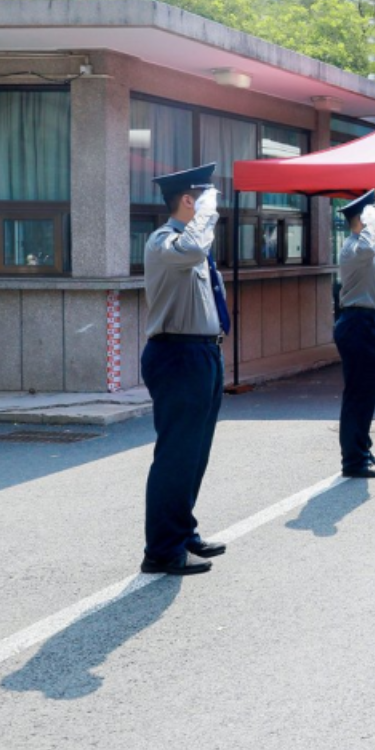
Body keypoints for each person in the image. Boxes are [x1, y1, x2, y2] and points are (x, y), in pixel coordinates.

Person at [139, 164, 230, 576]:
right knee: (176, 455)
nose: (214, 207)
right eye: (206, 199)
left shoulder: (191, 244)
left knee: (195, 454)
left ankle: (182, 532)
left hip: (203, 353)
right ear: (189, 200)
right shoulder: (166, 241)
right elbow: (193, 249)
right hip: (177, 355)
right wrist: (206, 213)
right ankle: (162, 550)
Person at [335, 191, 375, 479]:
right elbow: (367, 249)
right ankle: (354, 460)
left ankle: (361, 449)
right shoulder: (356, 248)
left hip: (371, 323)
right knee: (359, 394)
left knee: (367, 394)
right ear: (364, 220)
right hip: (360, 324)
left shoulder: (364, 249)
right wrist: (370, 225)